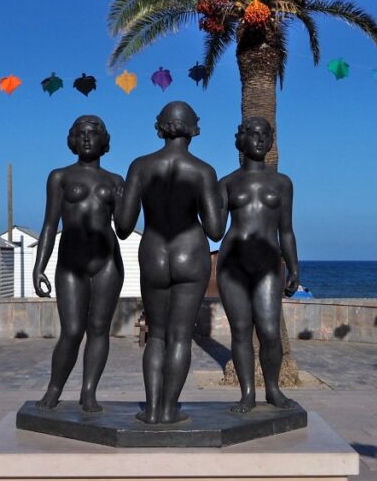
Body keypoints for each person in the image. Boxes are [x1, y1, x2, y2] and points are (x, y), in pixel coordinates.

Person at [115, 101, 224, 424]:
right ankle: (168, 409)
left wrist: (120, 198)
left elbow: (122, 227)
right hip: (190, 253)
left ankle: (151, 410)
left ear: (159, 127)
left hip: (153, 254)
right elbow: (215, 230)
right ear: (195, 128)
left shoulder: (140, 167)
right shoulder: (203, 171)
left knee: (157, 335)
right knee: (180, 336)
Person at [33, 115, 125, 413]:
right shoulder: (59, 177)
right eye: (81, 133)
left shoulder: (115, 181)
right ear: (73, 140)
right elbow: (49, 225)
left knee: (98, 329)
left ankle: (89, 392)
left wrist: (125, 201)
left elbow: (123, 228)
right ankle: (54, 388)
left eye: (93, 133)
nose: (87, 138)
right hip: (71, 262)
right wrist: (39, 266)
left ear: (103, 140)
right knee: (72, 331)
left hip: (107, 262)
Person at [217, 117, 299, 413]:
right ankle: (247, 393)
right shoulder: (226, 183)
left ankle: (273, 389)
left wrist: (294, 268)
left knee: (268, 330)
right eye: (253, 134)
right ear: (240, 139)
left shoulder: (282, 183)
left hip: (267, 264)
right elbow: (215, 229)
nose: (259, 139)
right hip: (232, 265)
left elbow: (286, 230)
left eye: (265, 135)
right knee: (240, 330)